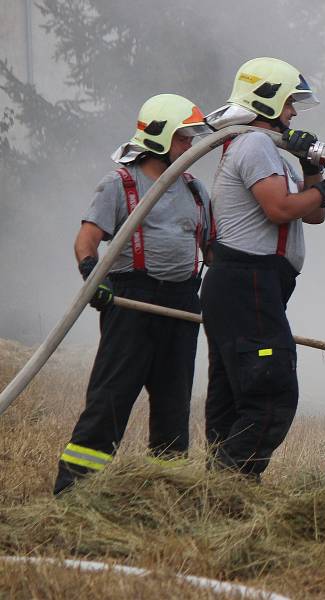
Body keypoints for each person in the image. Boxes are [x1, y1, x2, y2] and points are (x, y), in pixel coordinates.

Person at [201, 57, 325, 478]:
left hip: (250, 288)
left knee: (236, 397)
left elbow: (311, 215)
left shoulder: (266, 150)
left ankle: (216, 494)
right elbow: (279, 208)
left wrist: (312, 171)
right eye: (289, 104)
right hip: (245, 284)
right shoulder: (253, 145)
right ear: (267, 100)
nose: (292, 114)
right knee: (272, 394)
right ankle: (229, 481)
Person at [54, 94, 213, 494]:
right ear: (158, 138)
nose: (190, 146)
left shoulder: (196, 191)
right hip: (131, 301)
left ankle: (164, 493)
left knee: (174, 408)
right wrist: (93, 276)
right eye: (182, 138)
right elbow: (87, 239)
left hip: (181, 305)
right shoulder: (120, 184)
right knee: (110, 399)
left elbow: (212, 250)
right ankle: (73, 493)